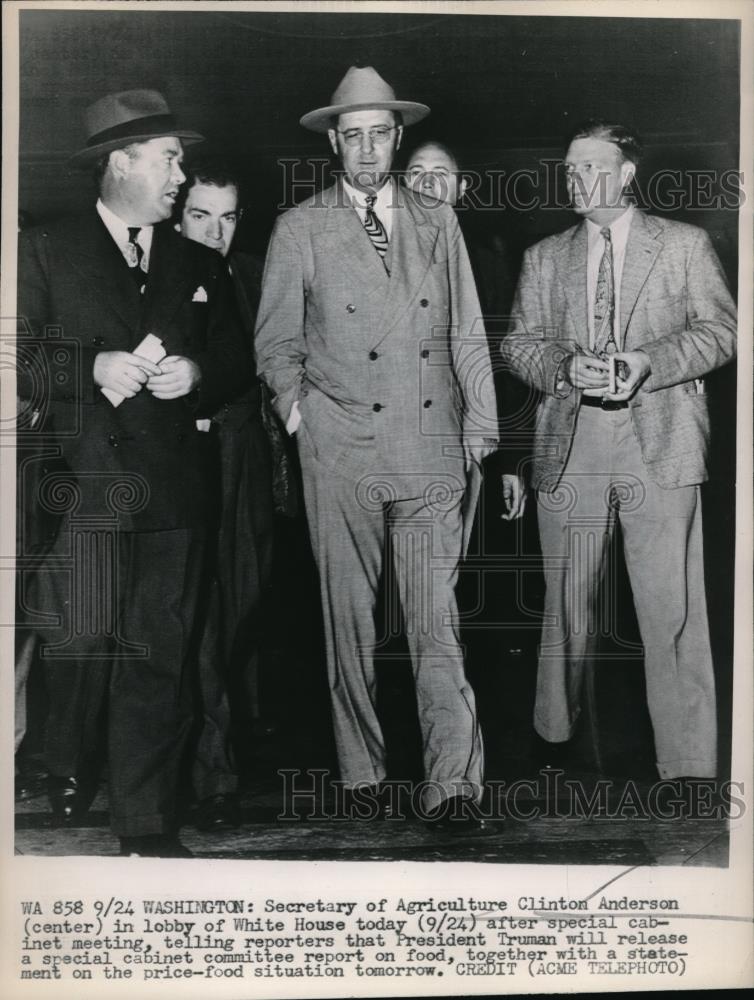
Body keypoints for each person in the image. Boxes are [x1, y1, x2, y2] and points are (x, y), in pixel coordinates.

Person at [255, 66, 499, 830]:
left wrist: (480, 427)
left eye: (379, 134)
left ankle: (453, 784)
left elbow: (467, 331)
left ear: (399, 137)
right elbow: (275, 343)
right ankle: (363, 776)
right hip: (343, 449)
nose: (366, 150)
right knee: (350, 621)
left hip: (429, 447)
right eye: (351, 136)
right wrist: (305, 421)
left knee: (435, 624)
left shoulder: (437, 219)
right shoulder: (301, 226)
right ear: (334, 141)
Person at [17, 89, 250, 856]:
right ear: (121, 163)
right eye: (168, 158)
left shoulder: (197, 260)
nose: (181, 174)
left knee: (160, 654)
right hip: (82, 488)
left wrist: (198, 373)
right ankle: (63, 765)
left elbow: (235, 360)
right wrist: (92, 367)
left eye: (179, 159)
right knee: (77, 642)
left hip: (175, 494)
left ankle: (145, 823)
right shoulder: (44, 249)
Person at [500, 120, 737, 780]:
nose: (574, 179)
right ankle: (555, 740)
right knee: (564, 604)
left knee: (672, 607)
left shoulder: (685, 245)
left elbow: (723, 330)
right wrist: (560, 366)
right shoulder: (545, 256)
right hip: (570, 442)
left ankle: (687, 767)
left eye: (590, 167)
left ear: (627, 173)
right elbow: (518, 343)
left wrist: (647, 362)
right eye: (569, 168)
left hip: (659, 439)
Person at [175, 159, 279, 831]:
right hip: (185, 453)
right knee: (203, 614)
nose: (213, 232)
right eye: (199, 215)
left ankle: (231, 733)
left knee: (247, 596)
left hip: (248, 454)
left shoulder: (250, 272)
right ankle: (213, 771)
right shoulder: (152, 275)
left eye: (227, 217)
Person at [406, 141, 526, 521]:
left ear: (462, 189)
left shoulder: (488, 266)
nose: (426, 183)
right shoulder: (370, 257)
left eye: (440, 174)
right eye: (415, 172)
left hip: (457, 444)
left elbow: (505, 364)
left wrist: (512, 462)